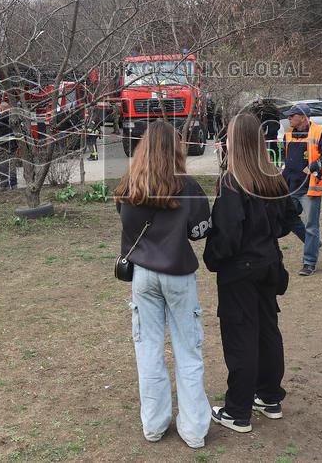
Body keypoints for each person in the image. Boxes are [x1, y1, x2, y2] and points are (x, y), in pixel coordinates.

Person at [114, 120, 212, 449]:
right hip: (179, 274)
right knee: (188, 351)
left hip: (143, 276)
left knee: (149, 351)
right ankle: (194, 429)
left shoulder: (128, 184)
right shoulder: (187, 185)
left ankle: (154, 425)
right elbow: (201, 230)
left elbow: (124, 219)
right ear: (176, 148)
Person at [205, 113, 299, 434]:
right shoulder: (271, 176)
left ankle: (238, 411)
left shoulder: (234, 183)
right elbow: (287, 220)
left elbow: (227, 237)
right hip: (267, 265)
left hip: (242, 271)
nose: (226, 142)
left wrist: (213, 256)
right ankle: (269, 396)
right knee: (266, 330)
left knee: (242, 335)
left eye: (229, 137)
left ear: (238, 142)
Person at [281, 103, 322, 276]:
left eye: (292, 116)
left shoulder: (319, 132)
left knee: (312, 226)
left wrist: (313, 166)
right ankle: (312, 242)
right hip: (291, 187)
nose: (289, 118)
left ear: (303, 117)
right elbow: (285, 157)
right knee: (287, 217)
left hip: (309, 189)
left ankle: (309, 263)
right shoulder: (288, 133)